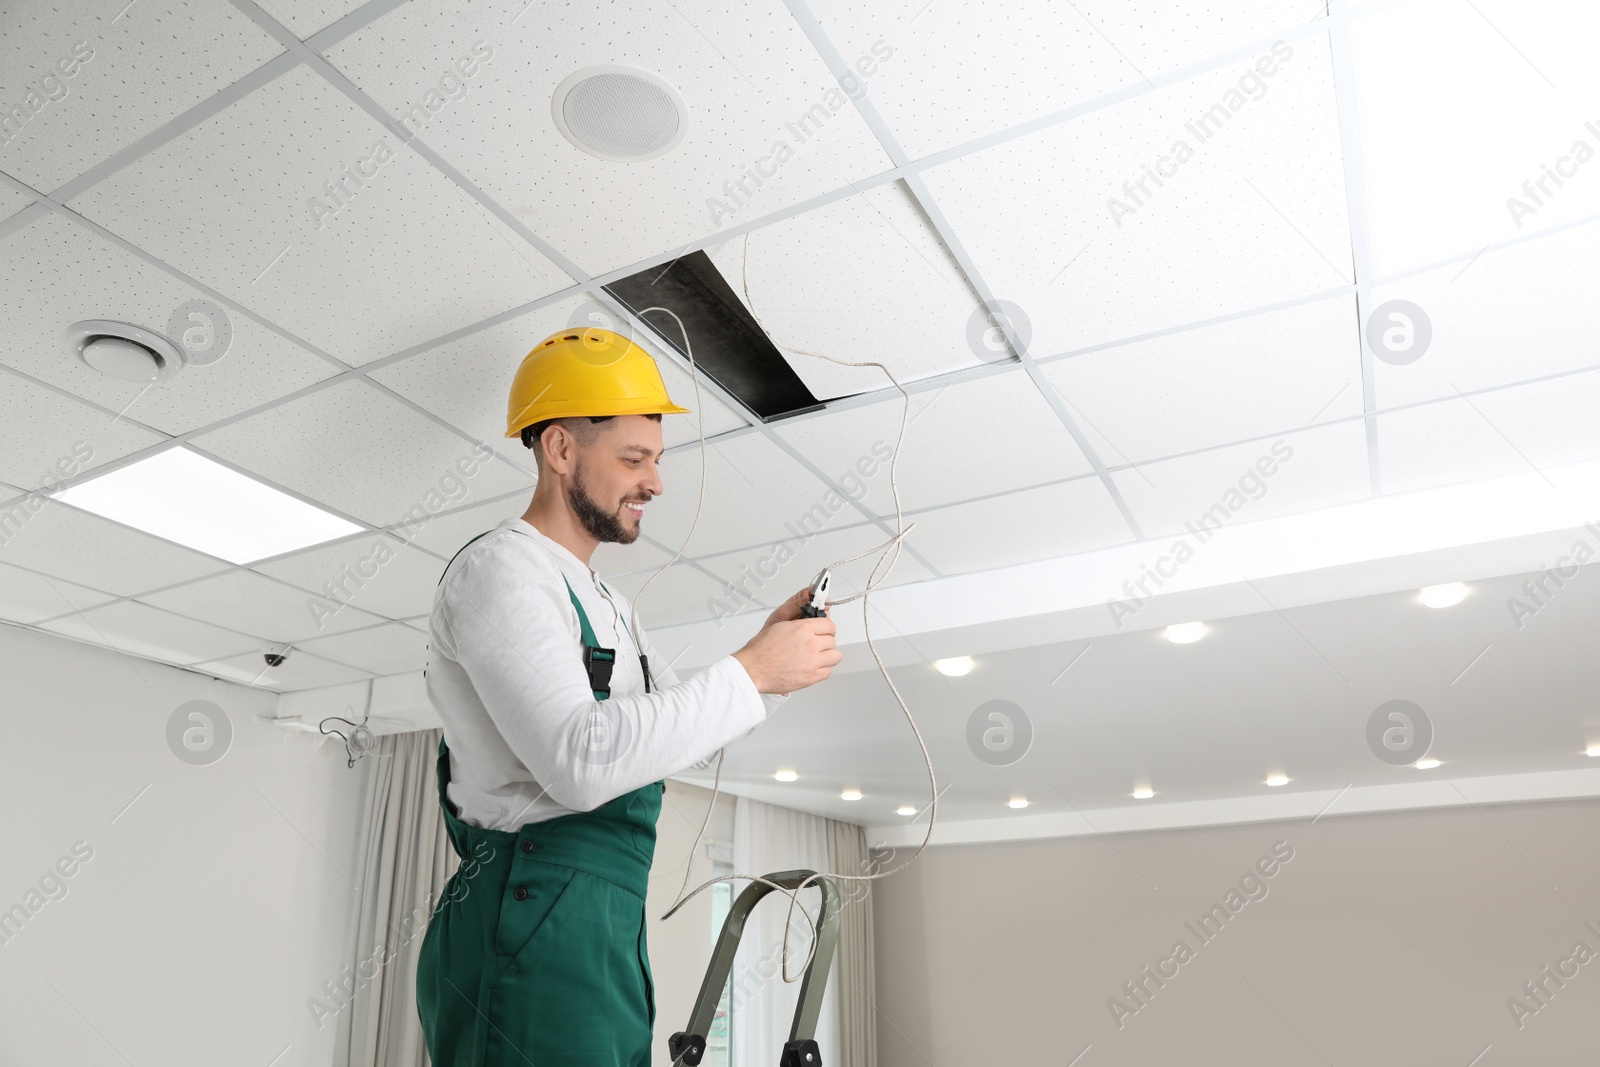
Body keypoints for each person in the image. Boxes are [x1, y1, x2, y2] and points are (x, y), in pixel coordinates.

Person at [416, 326, 840, 1067]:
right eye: (634, 459)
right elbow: (578, 762)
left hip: (604, 925)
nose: (656, 482)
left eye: (657, 460)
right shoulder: (502, 573)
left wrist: (769, 672)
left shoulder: (609, 599)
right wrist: (749, 670)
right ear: (560, 449)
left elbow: (674, 735)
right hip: (531, 915)